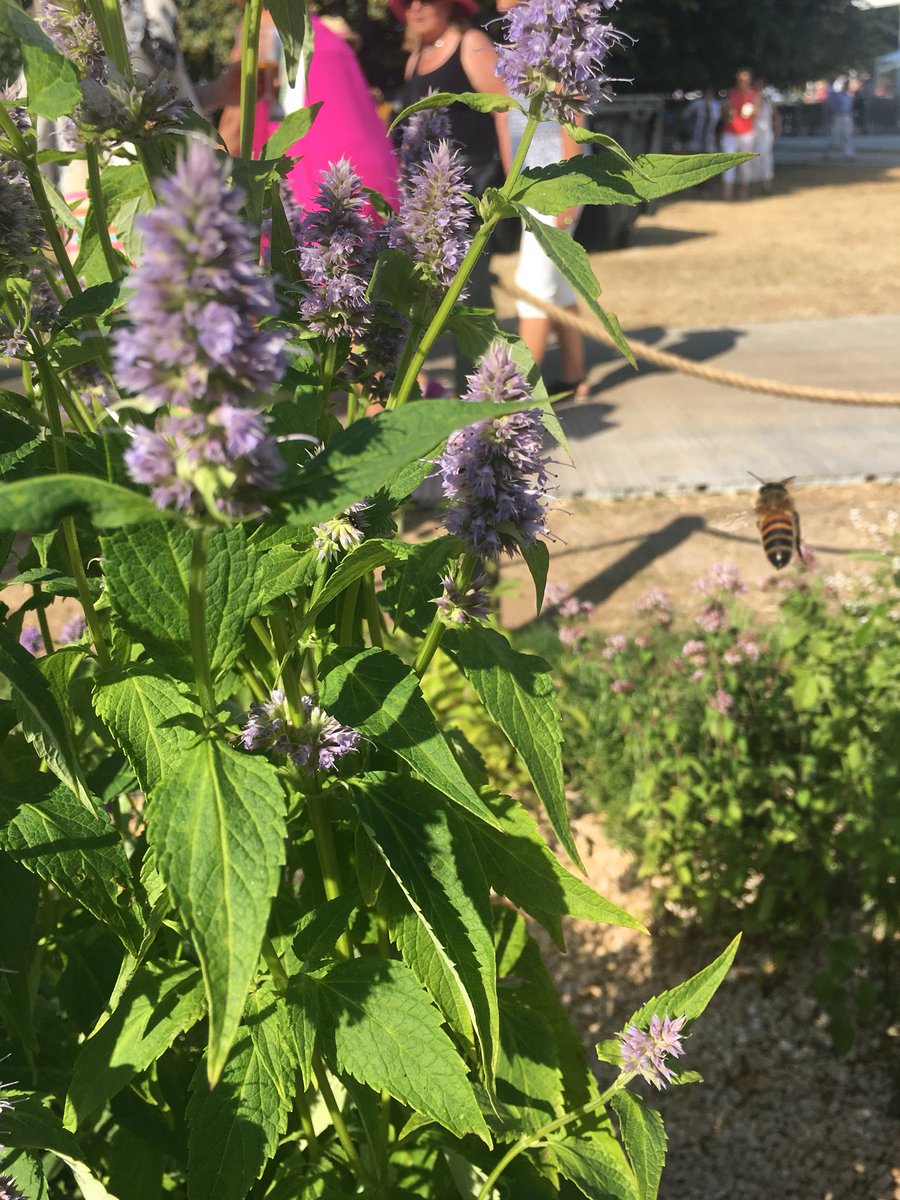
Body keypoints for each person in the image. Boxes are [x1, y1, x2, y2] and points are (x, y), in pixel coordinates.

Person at [394, 0, 510, 393]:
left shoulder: (470, 41)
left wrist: (512, 173)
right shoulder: (415, 58)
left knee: (471, 288)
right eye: (407, 2)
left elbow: (504, 105)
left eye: (426, 0)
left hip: (471, 182)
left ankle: (476, 389)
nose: (415, 8)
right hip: (424, 193)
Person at [495, 0, 588, 399]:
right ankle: (575, 376)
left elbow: (574, 125)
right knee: (559, 287)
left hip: (556, 187)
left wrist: (567, 199)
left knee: (533, 285)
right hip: (528, 186)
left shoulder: (562, 45)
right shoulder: (519, 50)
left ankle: (515, 398)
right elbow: (506, 117)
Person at [218, 11, 400, 211]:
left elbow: (235, 128)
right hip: (374, 181)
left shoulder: (260, 29)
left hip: (314, 193)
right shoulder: (321, 29)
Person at [720, 68, 759, 200]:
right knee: (728, 163)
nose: (743, 82)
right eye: (741, 80)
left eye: (745, 80)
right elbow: (724, 111)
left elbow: (757, 112)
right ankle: (727, 194)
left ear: (749, 81)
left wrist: (752, 111)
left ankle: (743, 193)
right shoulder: (731, 93)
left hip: (746, 133)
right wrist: (728, 113)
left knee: (745, 164)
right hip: (730, 132)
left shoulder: (754, 94)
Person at [751, 78, 781, 194]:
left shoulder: (768, 101)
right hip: (753, 133)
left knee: (767, 158)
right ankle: (753, 183)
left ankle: (767, 185)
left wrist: (777, 127)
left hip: (766, 134)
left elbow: (775, 115)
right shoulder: (751, 101)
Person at [682, 87, 722, 154]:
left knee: (709, 150)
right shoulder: (697, 103)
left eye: (710, 94)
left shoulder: (716, 105)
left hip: (710, 131)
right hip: (696, 129)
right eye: (707, 94)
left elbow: (717, 117)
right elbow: (685, 114)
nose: (708, 96)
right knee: (694, 149)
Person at [826, 76, 855, 159]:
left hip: (846, 116)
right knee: (834, 136)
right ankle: (829, 153)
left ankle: (848, 154)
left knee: (847, 135)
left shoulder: (848, 96)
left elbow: (849, 107)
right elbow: (831, 104)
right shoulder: (836, 95)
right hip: (838, 116)